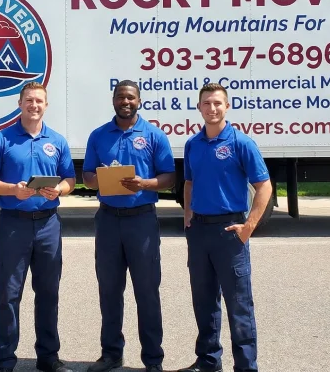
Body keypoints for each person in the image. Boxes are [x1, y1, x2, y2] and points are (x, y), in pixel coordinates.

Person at [0, 81, 77, 372]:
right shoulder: (1, 139)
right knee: (8, 295)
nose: (35, 105)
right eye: (29, 100)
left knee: (48, 293)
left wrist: (59, 189)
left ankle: (48, 358)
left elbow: (70, 179)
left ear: (46, 105)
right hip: (13, 225)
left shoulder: (57, 141)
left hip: (48, 225)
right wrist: (12, 190)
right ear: (20, 104)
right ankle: (5, 360)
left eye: (40, 101)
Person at [82, 80, 175, 372]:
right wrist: (100, 179)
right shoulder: (98, 136)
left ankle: (153, 359)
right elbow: (86, 177)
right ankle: (111, 354)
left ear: (139, 101)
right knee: (109, 290)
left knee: (147, 291)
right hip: (108, 220)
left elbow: (169, 178)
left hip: (142, 221)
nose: (126, 101)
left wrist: (144, 184)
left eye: (130, 97)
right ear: (113, 100)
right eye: (121, 97)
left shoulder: (154, 135)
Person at [179, 83, 272, 372]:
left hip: (230, 231)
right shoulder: (193, 144)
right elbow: (189, 183)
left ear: (227, 106)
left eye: (218, 103)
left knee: (238, 305)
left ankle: (246, 366)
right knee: (204, 301)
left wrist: (248, 226)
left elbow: (264, 187)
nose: (212, 108)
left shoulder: (241, 143)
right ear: (199, 108)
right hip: (200, 232)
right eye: (206, 103)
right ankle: (208, 361)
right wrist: (187, 216)